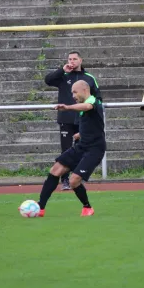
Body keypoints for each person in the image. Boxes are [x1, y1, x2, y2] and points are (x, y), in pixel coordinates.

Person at [35, 80, 105, 217]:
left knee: (73, 181)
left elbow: (87, 107)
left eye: (75, 92)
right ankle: (40, 207)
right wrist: (81, 134)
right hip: (82, 145)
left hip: (94, 149)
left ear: (85, 90)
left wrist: (67, 107)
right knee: (56, 169)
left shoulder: (93, 101)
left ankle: (87, 207)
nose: (73, 95)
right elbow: (92, 123)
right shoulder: (84, 106)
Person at [45, 51, 102, 191]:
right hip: (66, 119)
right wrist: (61, 70)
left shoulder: (88, 78)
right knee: (66, 150)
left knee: (80, 149)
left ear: (80, 60)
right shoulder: (62, 76)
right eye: (70, 59)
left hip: (83, 120)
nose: (72, 61)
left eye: (75, 59)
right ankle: (64, 180)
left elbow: (98, 97)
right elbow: (48, 80)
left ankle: (76, 178)